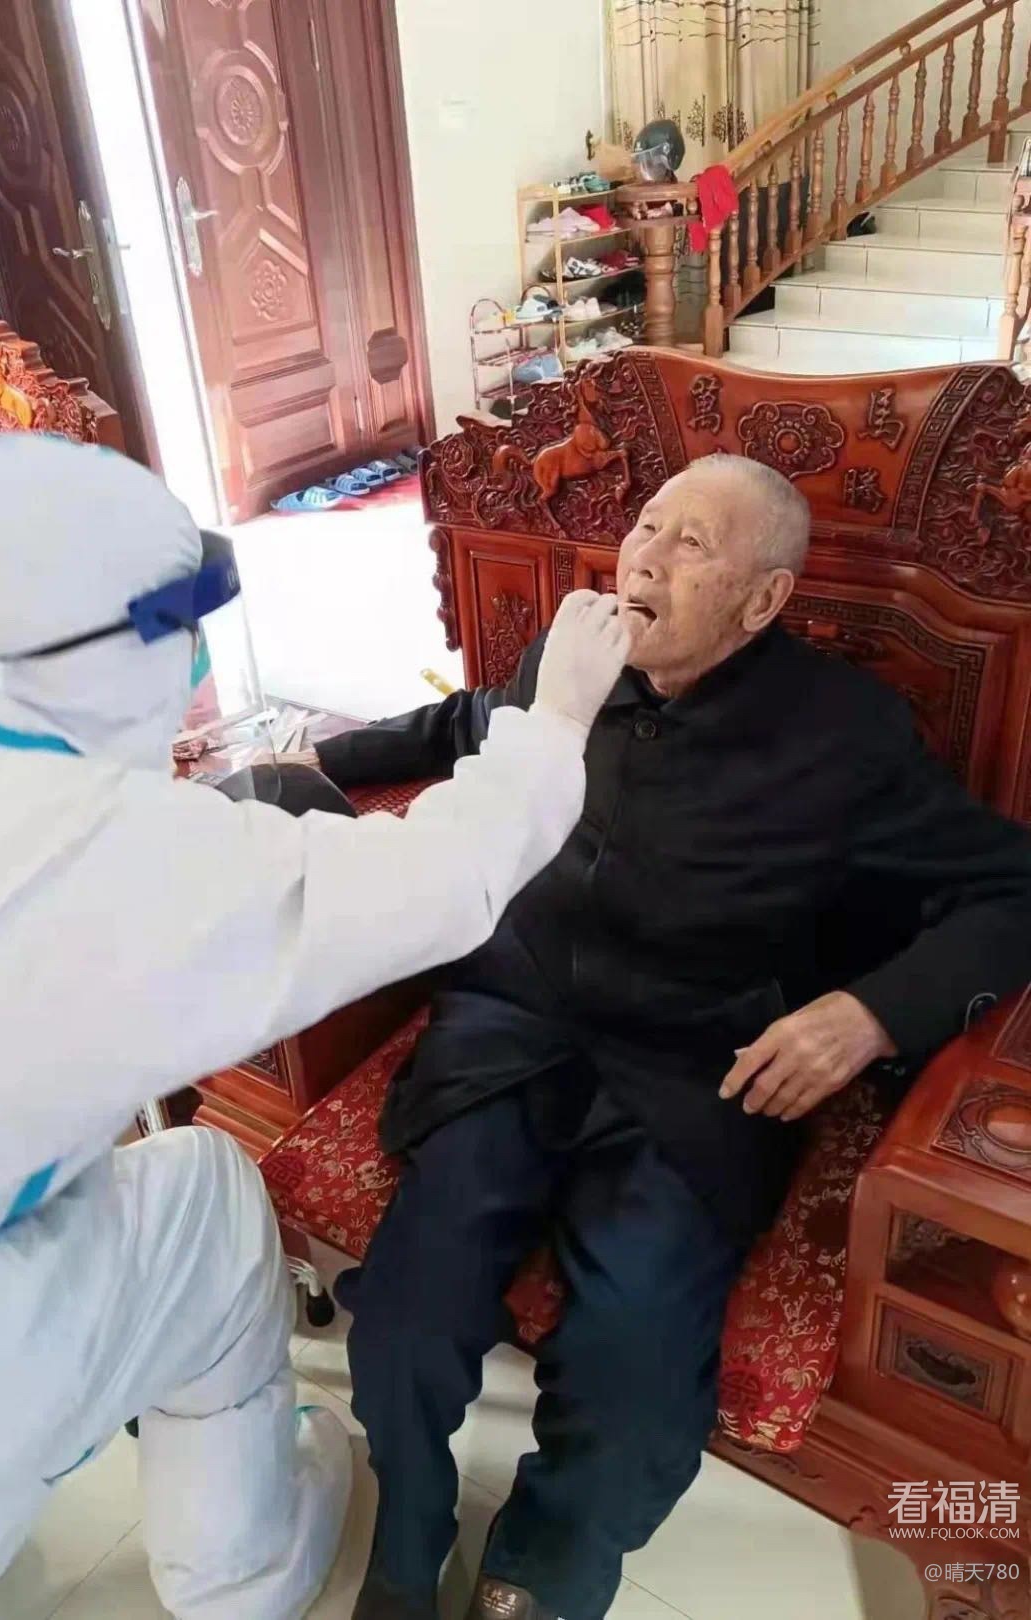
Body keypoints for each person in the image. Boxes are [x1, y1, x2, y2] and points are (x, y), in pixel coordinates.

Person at [306, 453, 1031, 1620]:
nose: (644, 557)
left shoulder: (847, 734)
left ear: (764, 599)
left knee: (636, 1375)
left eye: (691, 544)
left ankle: (535, 1581)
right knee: (402, 1315)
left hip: (696, 1074)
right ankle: (408, 1530)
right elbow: (473, 719)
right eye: (646, 525)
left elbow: (1011, 889)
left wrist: (871, 1012)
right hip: (513, 1028)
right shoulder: (577, 654)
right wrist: (319, 759)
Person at [0, 434, 631, 1620]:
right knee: (209, 1206)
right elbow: (442, 876)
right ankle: (240, 1571)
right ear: (118, 647)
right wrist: (557, 716)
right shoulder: (108, 859)